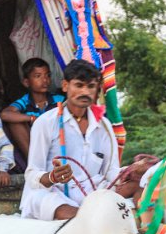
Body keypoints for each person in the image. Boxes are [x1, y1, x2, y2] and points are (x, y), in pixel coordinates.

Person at [22, 59, 136, 220]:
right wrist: (52, 177)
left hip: (94, 194)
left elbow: (110, 172)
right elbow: (32, 173)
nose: (85, 92)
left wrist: (131, 171)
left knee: (141, 184)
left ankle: (92, 218)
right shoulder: (45, 122)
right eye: (79, 85)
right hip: (55, 193)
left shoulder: (104, 126)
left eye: (90, 86)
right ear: (65, 86)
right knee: (41, 199)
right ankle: (89, 219)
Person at [0, 58, 65, 163]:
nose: (45, 80)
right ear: (26, 82)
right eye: (38, 76)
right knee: (15, 123)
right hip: (35, 147)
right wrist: (32, 118)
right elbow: (5, 114)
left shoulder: (58, 100)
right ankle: (33, 163)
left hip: (56, 144)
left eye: (47, 75)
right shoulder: (25, 101)